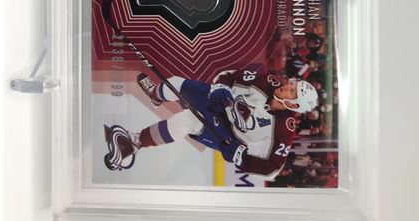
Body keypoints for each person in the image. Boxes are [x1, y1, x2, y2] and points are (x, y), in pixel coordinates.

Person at [103, 68, 319, 179]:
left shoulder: (283, 129)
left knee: (186, 121)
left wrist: (242, 158)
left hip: (226, 132)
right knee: (177, 83)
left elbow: (272, 168)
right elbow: (230, 76)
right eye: (293, 85)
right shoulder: (268, 82)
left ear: (294, 105)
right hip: (222, 102)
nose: (287, 87)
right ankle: (155, 95)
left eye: (293, 92)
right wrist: (222, 87)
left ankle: (135, 143)